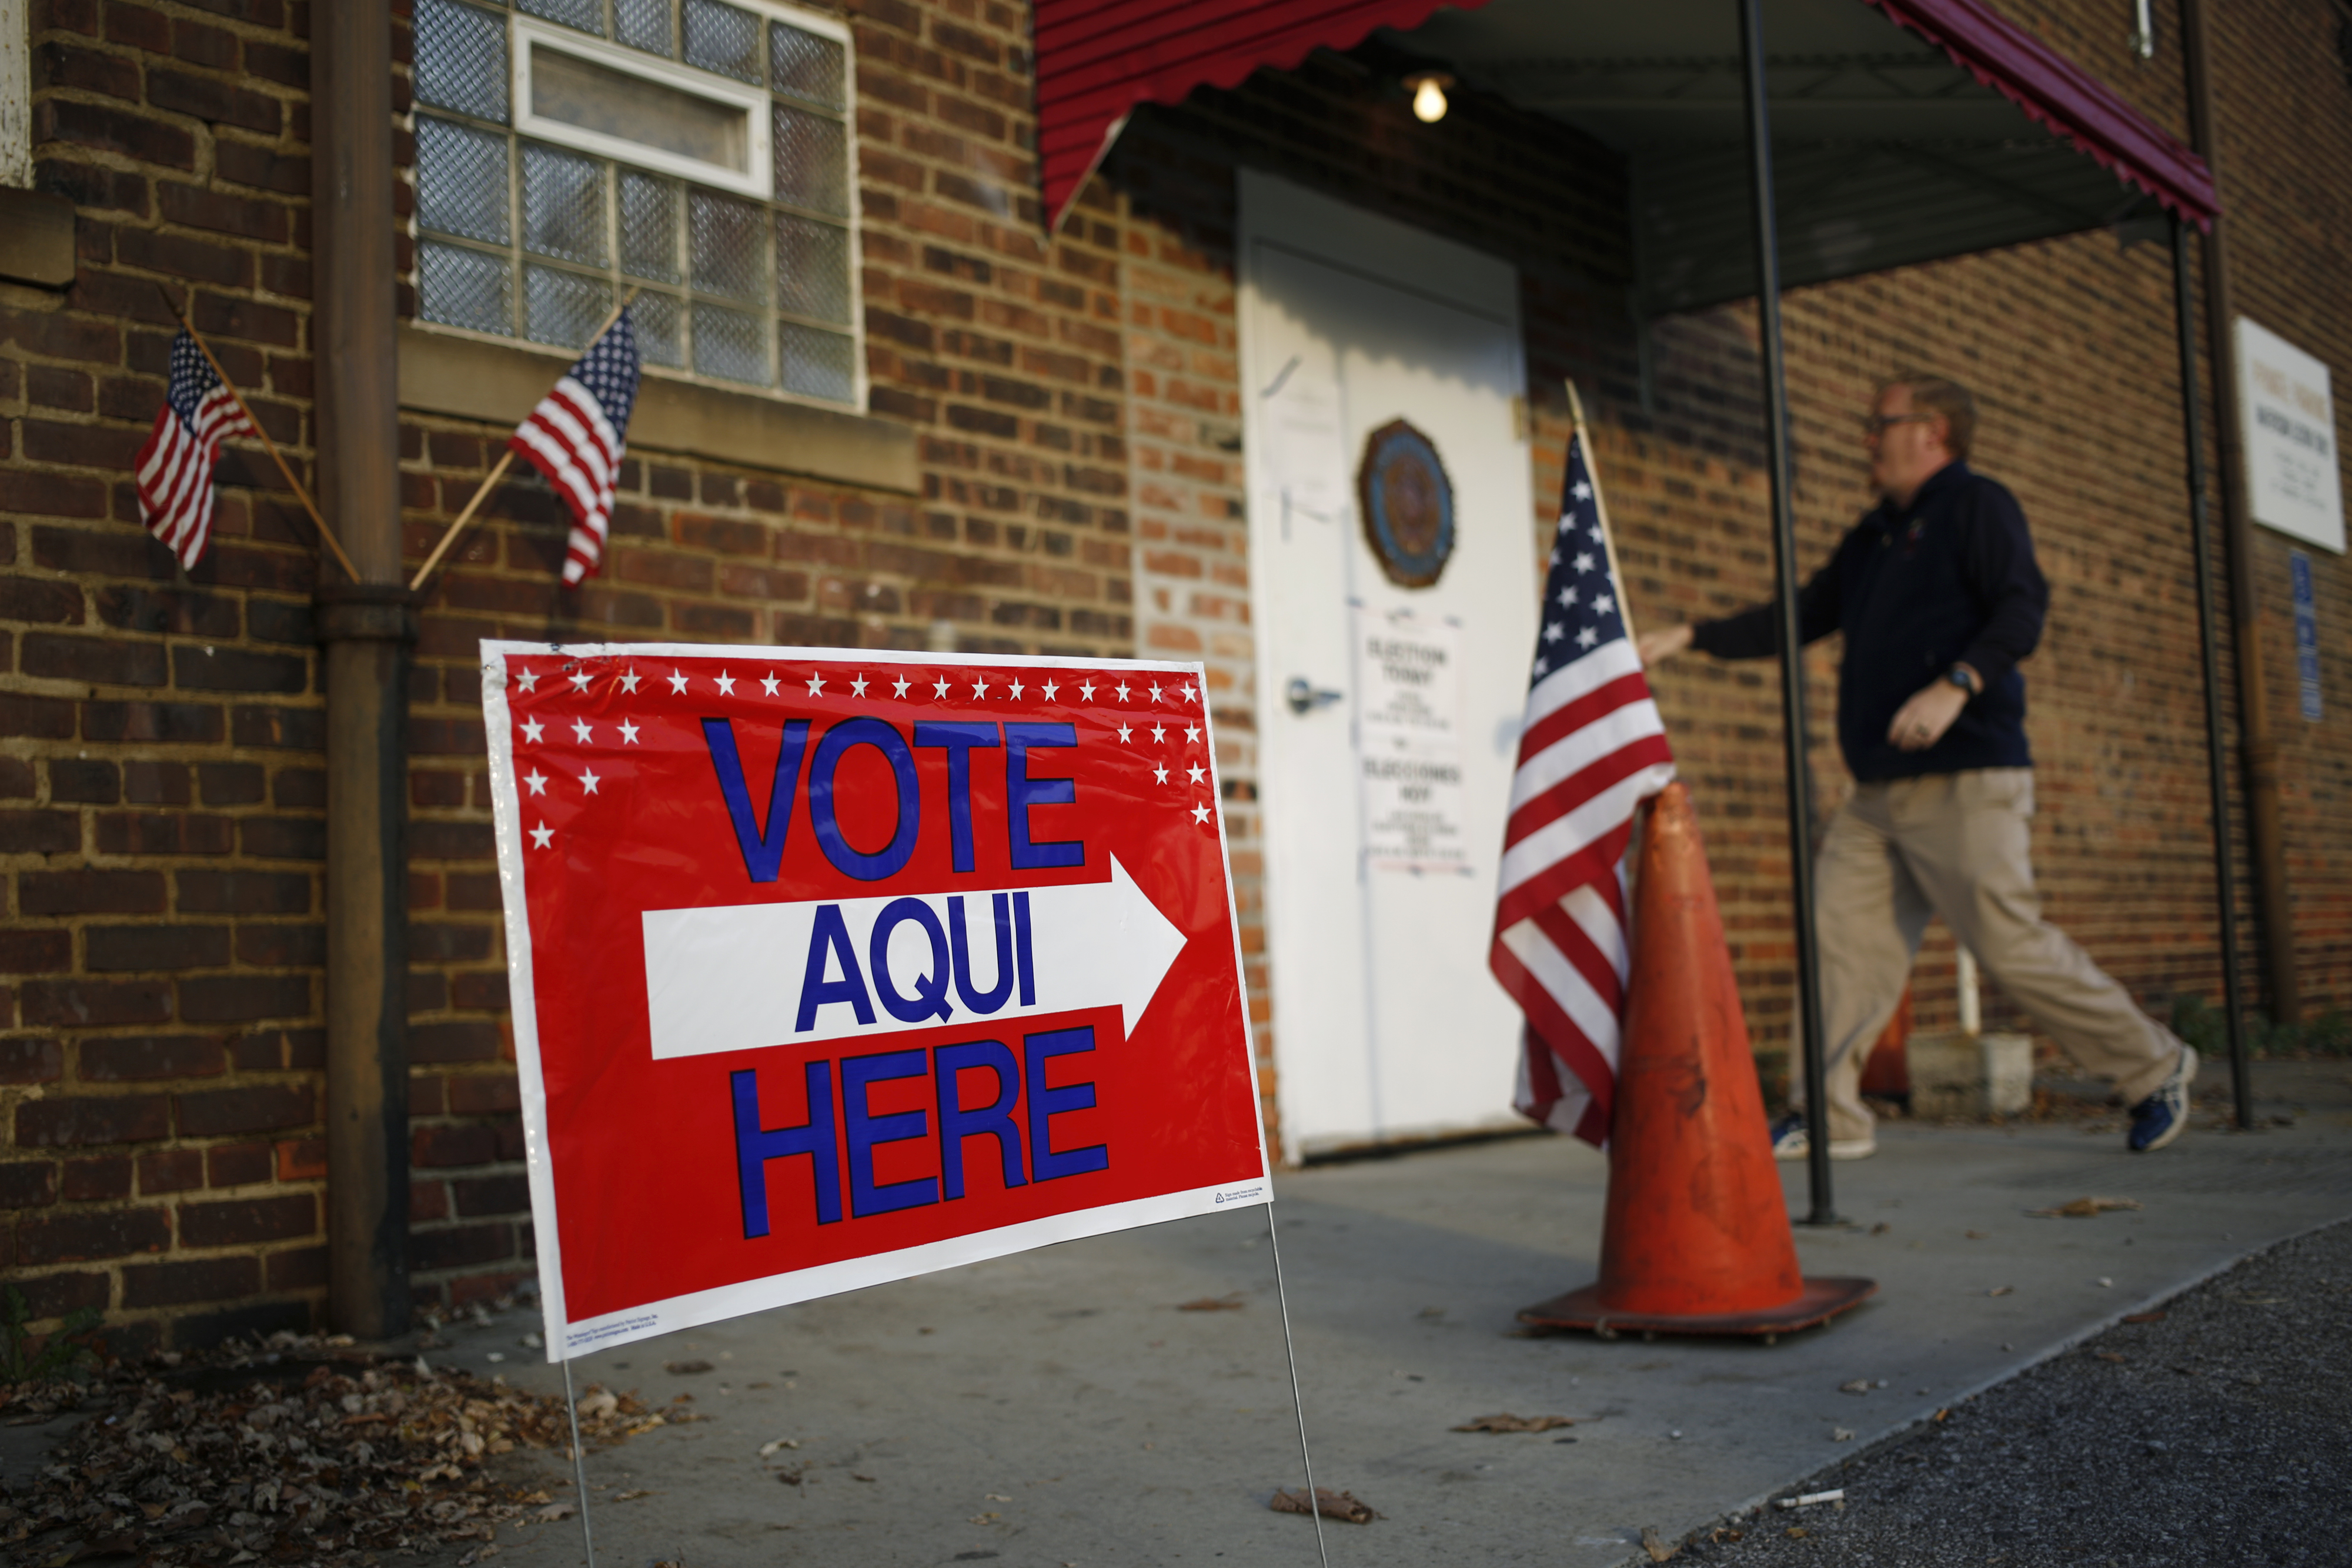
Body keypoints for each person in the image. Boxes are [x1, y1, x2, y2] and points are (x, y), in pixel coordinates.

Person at [1636, 374, 2197, 1159]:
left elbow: (2021, 608)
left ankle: (2156, 1066)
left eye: (1880, 424)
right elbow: (1800, 614)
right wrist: (1691, 635)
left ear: (1933, 431)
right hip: (1878, 794)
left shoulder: (1978, 507)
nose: (1868, 438)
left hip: (1966, 779)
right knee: (1838, 938)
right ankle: (1829, 1118)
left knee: (2006, 943)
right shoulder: (1872, 538)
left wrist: (1955, 686)